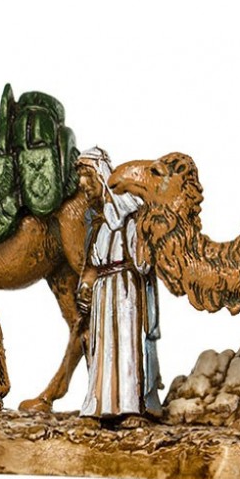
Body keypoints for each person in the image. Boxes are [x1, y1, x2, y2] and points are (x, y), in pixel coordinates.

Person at [76, 147, 162, 420]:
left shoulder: (130, 216)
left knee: (125, 345)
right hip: (104, 291)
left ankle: (130, 407)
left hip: (125, 290)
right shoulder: (99, 222)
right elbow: (92, 264)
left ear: (101, 177)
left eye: (87, 178)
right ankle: (101, 406)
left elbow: (142, 263)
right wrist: (86, 288)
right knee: (104, 349)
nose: (83, 185)